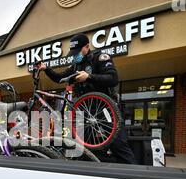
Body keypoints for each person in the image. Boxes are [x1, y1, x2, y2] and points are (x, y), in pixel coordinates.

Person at [37, 33, 137, 165]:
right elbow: (59, 78)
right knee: (87, 150)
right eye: (73, 53)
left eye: (78, 51)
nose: (75, 55)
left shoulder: (100, 58)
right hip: (85, 113)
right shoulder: (75, 66)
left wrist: (89, 77)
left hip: (106, 110)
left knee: (119, 146)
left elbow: (113, 79)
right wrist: (46, 69)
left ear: (87, 47)